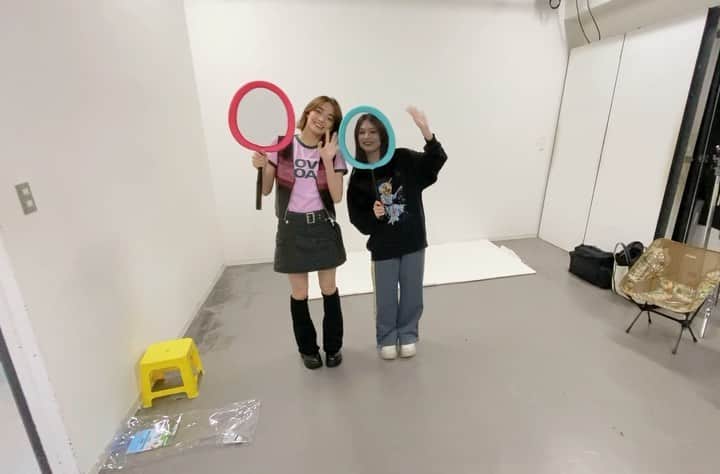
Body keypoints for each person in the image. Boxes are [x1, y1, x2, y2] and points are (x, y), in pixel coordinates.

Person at [252, 96, 347, 370]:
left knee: (329, 289)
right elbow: (266, 190)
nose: (322, 119)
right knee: (300, 293)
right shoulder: (282, 145)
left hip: (322, 226)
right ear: (307, 113)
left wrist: (327, 159)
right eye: (319, 111)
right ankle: (308, 350)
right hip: (292, 227)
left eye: (330, 117)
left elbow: (337, 196)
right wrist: (261, 165)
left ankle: (333, 348)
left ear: (333, 126)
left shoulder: (333, 151)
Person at [347, 106, 448, 360]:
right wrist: (374, 215)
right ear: (356, 138)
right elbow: (357, 219)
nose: (367, 136)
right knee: (385, 298)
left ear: (383, 134)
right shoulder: (359, 174)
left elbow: (435, 162)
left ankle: (408, 334)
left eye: (372, 131)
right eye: (362, 132)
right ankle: (387, 338)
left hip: (413, 241)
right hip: (383, 247)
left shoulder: (403, 158)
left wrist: (426, 132)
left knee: (413, 294)